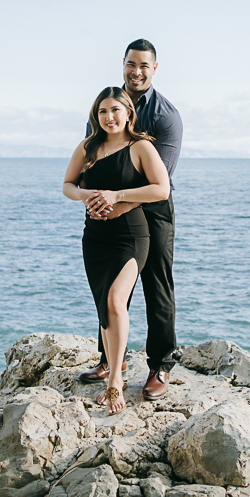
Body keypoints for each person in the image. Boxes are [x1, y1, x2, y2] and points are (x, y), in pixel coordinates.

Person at [78, 39, 183, 401]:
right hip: (108, 210)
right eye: (130, 64)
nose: (136, 72)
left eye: (144, 66)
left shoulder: (166, 116)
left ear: (154, 70)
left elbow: (160, 182)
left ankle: (160, 365)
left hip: (151, 213)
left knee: (157, 284)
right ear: (122, 65)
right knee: (110, 287)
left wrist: (118, 199)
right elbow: (93, 159)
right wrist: (95, 201)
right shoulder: (107, 105)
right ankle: (111, 360)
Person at [63, 86, 170, 414]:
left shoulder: (141, 147)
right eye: (102, 112)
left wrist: (117, 196)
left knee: (114, 300)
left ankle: (114, 384)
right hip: (94, 238)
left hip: (131, 236)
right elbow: (68, 186)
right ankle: (113, 365)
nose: (109, 117)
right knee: (104, 308)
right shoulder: (87, 147)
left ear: (128, 113)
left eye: (115, 110)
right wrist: (88, 195)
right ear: (96, 117)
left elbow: (161, 189)